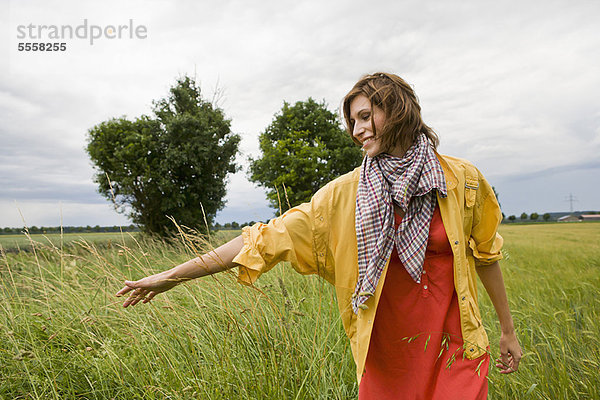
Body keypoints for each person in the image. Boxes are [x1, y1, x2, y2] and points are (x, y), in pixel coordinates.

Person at [116, 72, 522, 399]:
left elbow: (486, 255)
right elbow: (262, 239)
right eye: (353, 121)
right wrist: (169, 277)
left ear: (397, 110)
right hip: (387, 351)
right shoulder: (342, 197)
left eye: (366, 116)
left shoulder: (462, 180)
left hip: (456, 343)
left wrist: (507, 329)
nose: (357, 129)